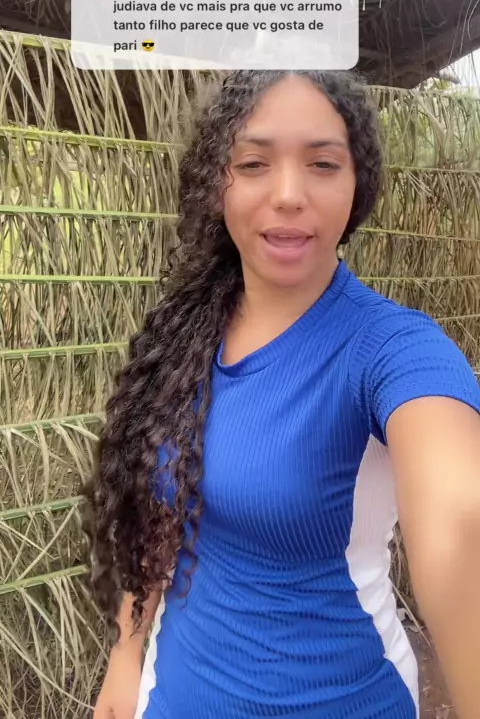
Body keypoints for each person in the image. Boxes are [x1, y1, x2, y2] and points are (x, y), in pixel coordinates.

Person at [85, 70, 480, 719]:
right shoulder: (186, 335)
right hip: (173, 696)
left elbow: (461, 525)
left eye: (322, 164)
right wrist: (126, 659)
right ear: (218, 181)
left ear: (358, 185)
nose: (289, 194)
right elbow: (155, 513)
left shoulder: (392, 351)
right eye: (253, 163)